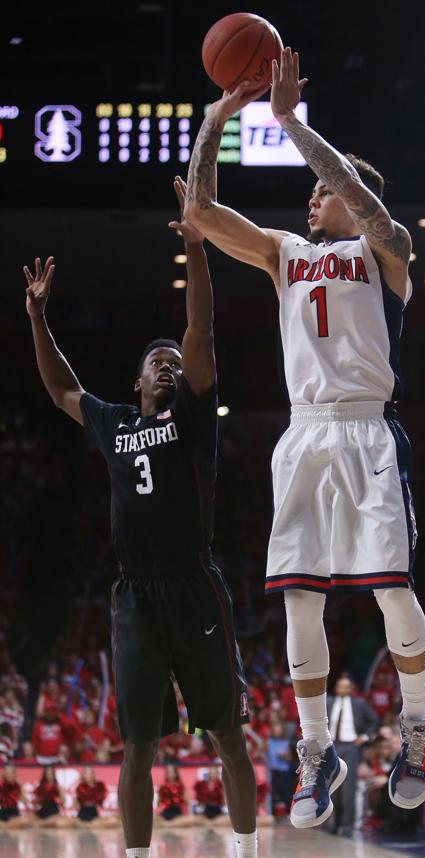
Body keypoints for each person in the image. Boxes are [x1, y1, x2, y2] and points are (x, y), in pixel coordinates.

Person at [185, 46, 425, 828]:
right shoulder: (286, 256)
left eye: (322, 190)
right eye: (312, 191)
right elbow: (201, 211)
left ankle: (417, 726)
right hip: (303, 434)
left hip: (366, 432)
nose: (311, 199)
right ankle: (317, 751)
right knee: (297, 600)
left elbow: (368, 204)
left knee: (391, 587)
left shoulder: (383, 250)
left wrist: (293, 123)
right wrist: (214, 121)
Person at [23, 177, 258, 858]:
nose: (167, 365)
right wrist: (38, 318)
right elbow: (64, 387)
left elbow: (201, 329)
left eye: (174, 364)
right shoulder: (116, 422)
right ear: (136, 382)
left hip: (192, 583)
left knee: (226, 734)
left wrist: (198, 249)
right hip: (136, 594)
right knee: (137, 743)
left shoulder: (193, 420)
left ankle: (245, 853)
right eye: (156, 362)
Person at [328, 677, 378, 835]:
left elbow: (374, 720)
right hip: (332, 746)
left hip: (351, 746)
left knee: (348, 787)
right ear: (336, 688)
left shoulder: (359, 703)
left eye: (346, 687)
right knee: (333, 786)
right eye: (340, 686)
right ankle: (335, 823)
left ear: (351, 689)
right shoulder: (328, 702)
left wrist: (364, 737)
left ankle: (347, 826)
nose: (343, 689)